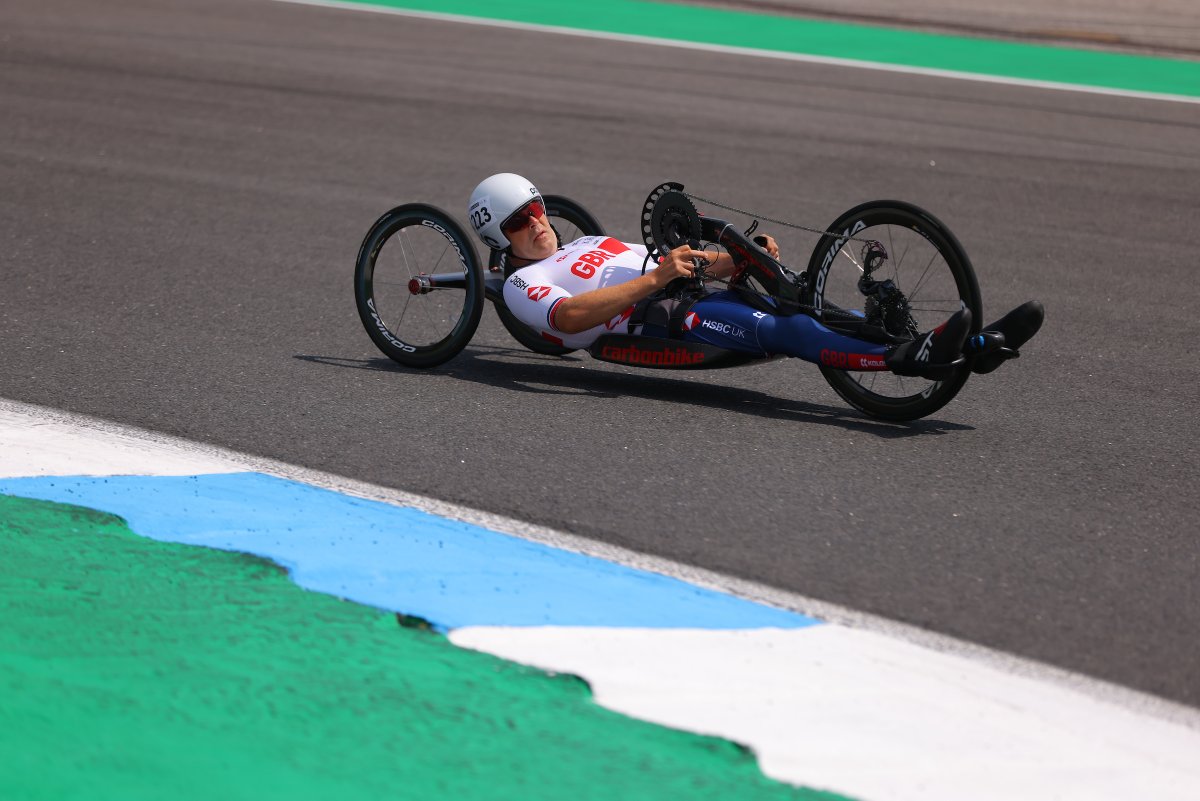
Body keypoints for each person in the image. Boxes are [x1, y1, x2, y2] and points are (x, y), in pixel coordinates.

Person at [468, 173, 1041, 374]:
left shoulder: (589, 239)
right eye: (521, 220)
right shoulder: (521, 286)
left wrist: (736, 257)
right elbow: (569, 319)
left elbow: (681, 262)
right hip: (663, 318)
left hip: (682, 287)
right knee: (783, 331)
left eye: (539, 206)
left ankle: (974, 346)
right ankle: (904, 359)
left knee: (802, 305)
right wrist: (659, 280)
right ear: (497, 235)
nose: (539, 222)